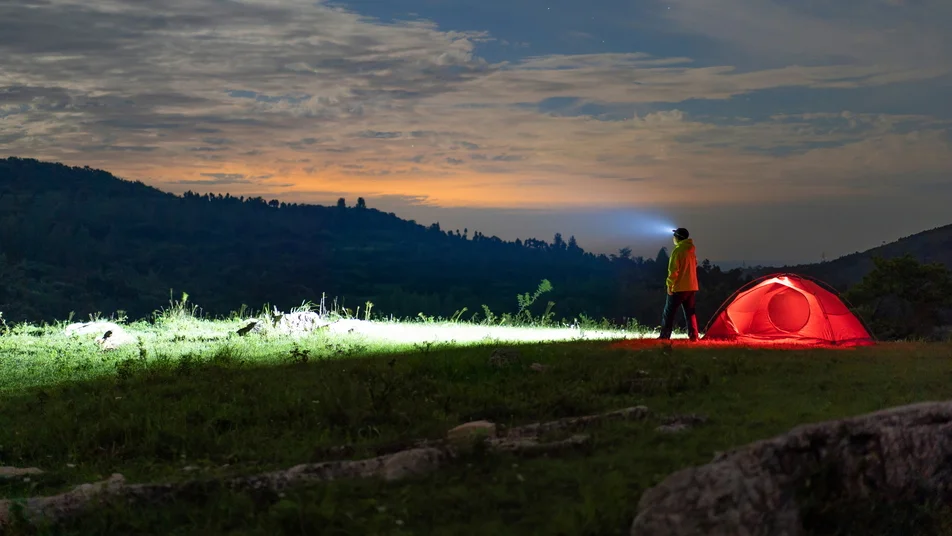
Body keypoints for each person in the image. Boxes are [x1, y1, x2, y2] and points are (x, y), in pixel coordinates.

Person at [659, 227, 699, 341]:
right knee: (690, 313)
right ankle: (694, 336)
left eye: (674, 236)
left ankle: (665, 336)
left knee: (669, 312)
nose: (673, 238)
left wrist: (669, 285)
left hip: (679, 287)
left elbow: (673, 270)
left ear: (678, 238)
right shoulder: (691, 250)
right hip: (691, 287)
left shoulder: (678, 251)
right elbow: (694, 265)